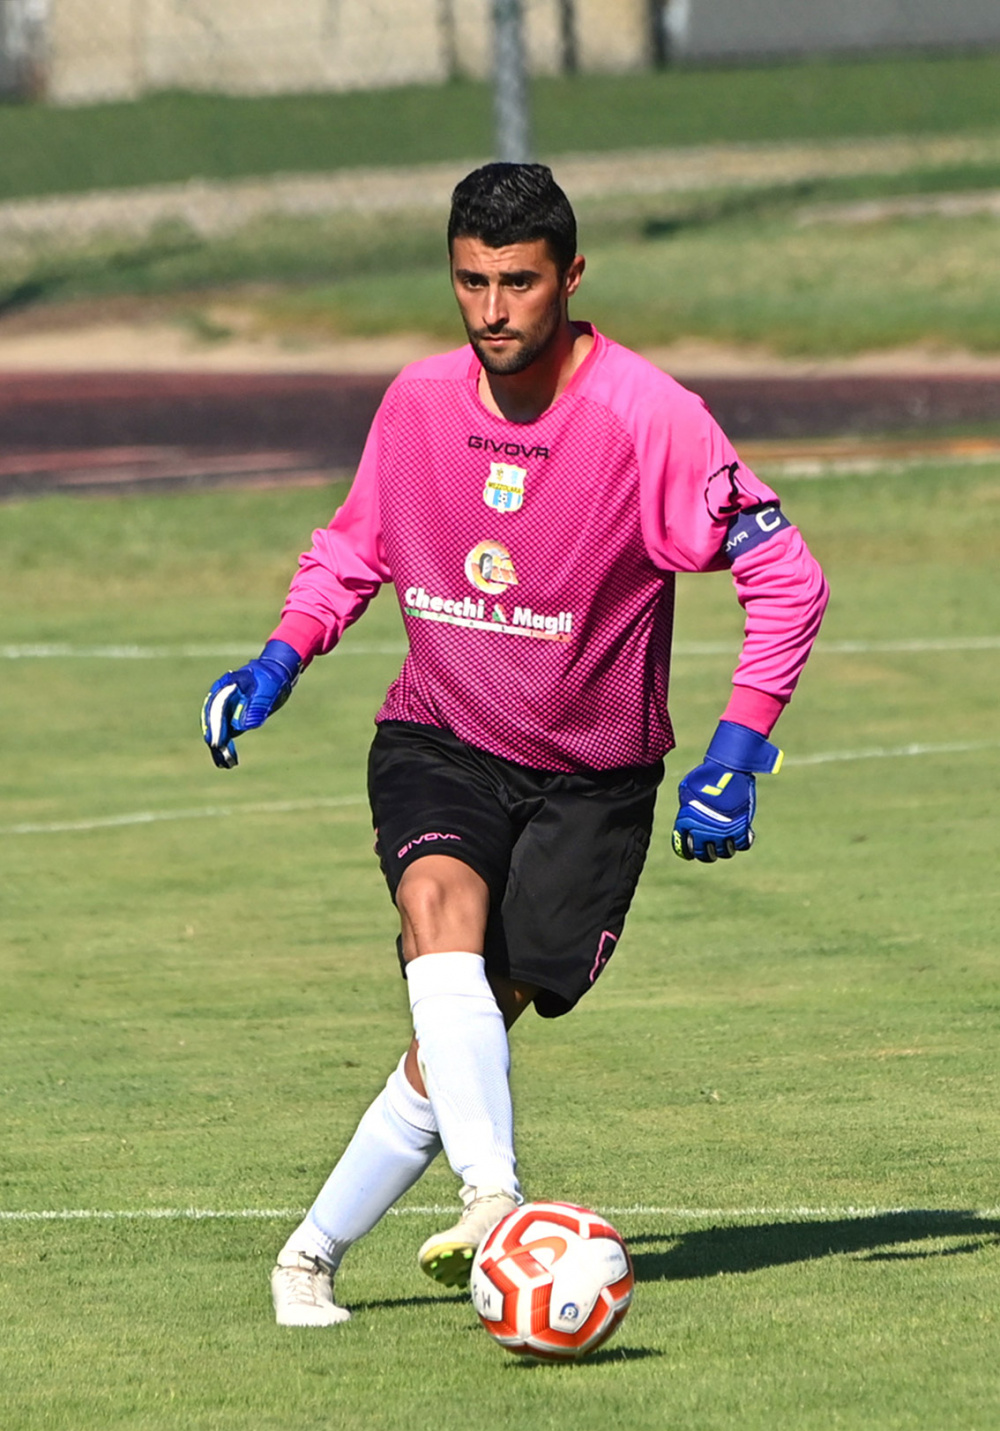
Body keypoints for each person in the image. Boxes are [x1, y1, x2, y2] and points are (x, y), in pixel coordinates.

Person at [201, 162, 828, 1327]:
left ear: (570, 278)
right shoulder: (418, 403)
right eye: (472, 282)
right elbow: (353, 550)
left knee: (473, 1023)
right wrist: (281, 654)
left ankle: (308, 1255)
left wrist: (738, 751)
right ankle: (495, 1203)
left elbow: (788, 580)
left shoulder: (652, 420)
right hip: (440, 732)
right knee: (436, 908)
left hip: (594, 776)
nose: (493, 311)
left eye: (520, 284)